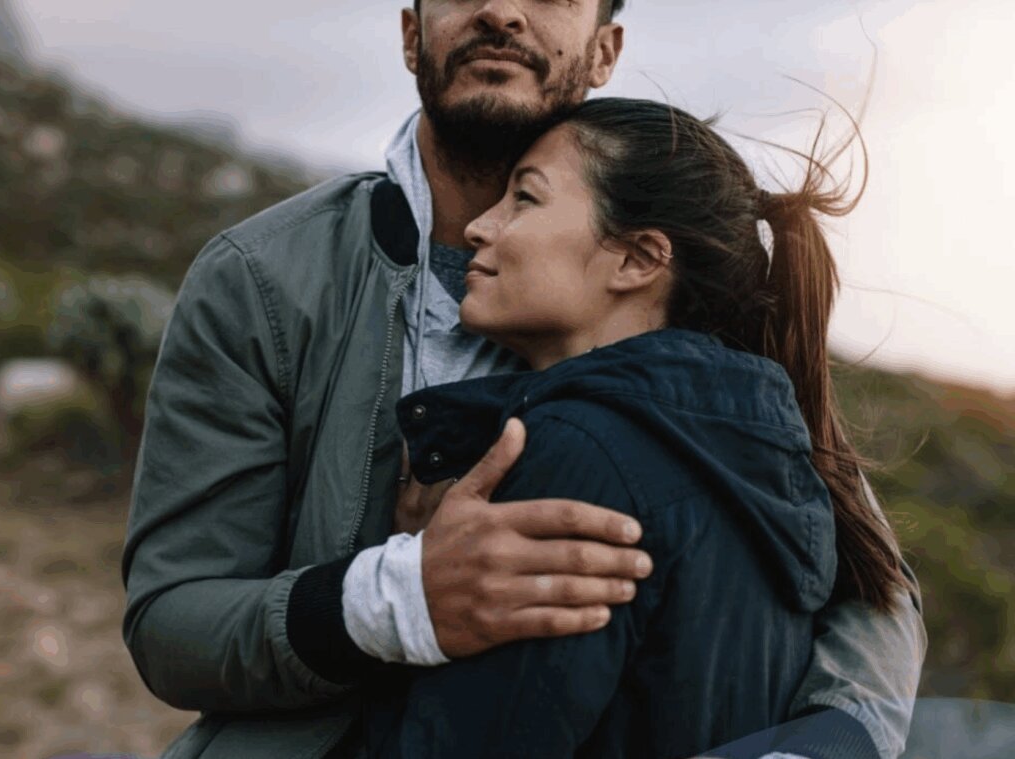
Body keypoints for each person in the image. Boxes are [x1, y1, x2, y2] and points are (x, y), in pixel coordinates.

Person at [121, 2, 926, 758]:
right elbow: (171, 622)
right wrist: (397, 598)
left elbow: (867, 572)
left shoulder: (676, 297)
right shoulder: (261, 278)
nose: (502, 11)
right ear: (411, 35)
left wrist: (821, 744)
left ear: (605, 48)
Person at [360, 96, 908, 759]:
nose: (479, 226)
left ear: (639, 260)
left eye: (525, 199)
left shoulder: (580, 453)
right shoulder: (763, 453)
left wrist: (402, 604)